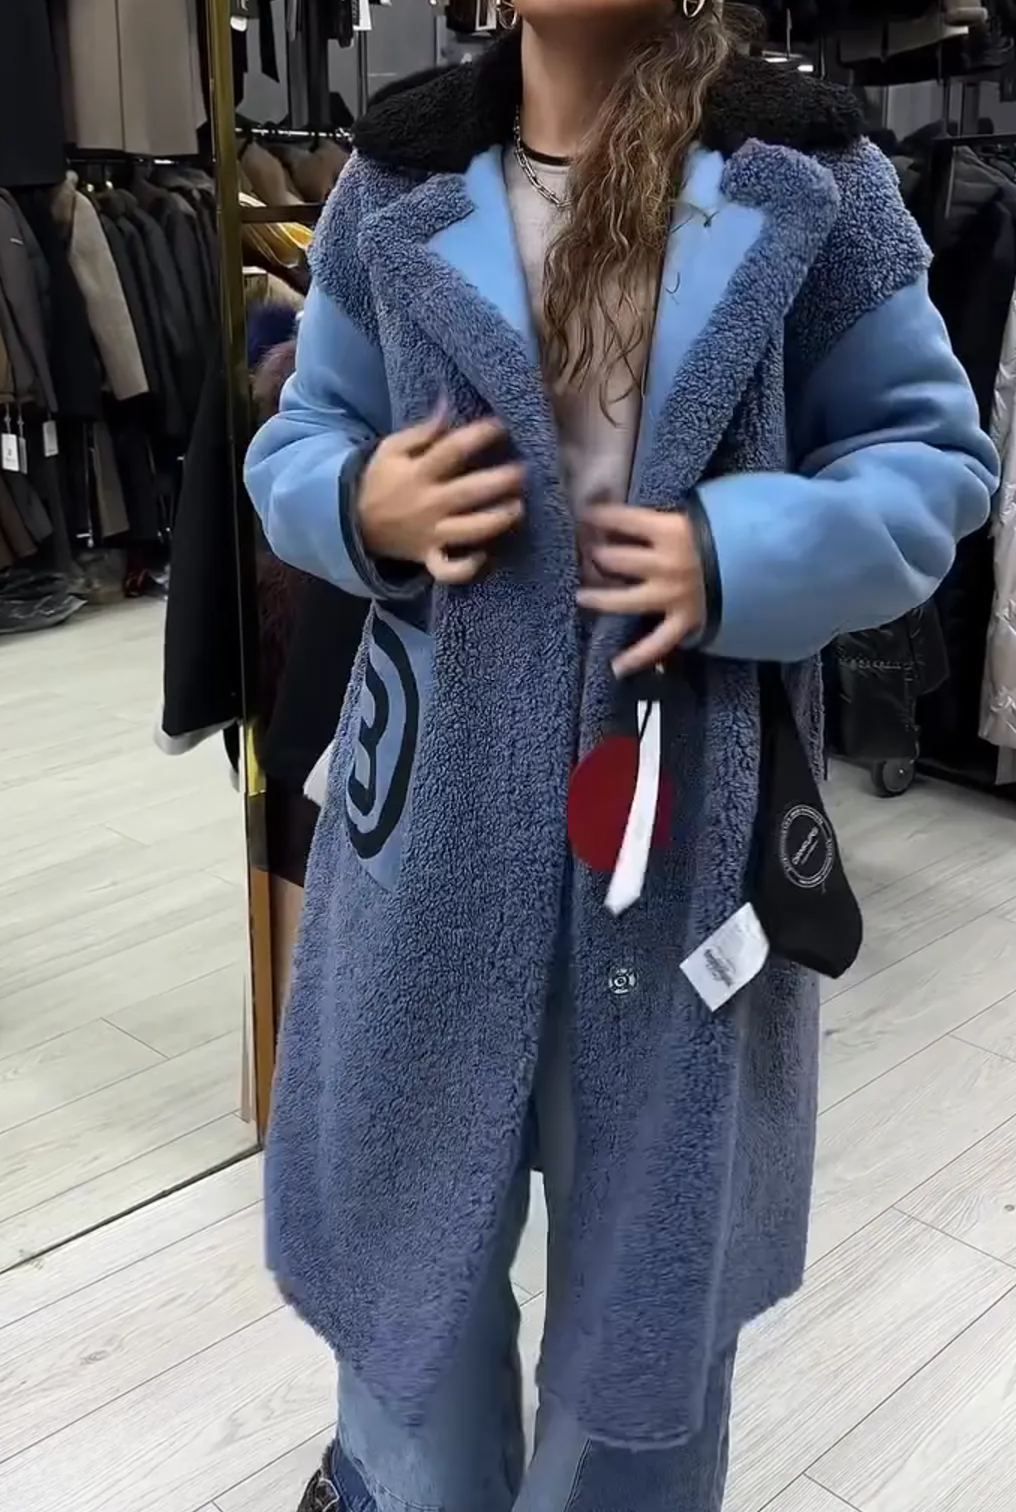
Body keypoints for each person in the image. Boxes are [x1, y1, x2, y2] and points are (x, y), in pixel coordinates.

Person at [244, 4, 998, 1510]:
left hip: (681, 821)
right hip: (433, 817)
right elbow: (299, 433)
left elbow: (933, 459)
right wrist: (359, 499)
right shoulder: (400, 178)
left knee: (647, 1269)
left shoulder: (807, 174)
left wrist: (740, 551)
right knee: (409, 1243)